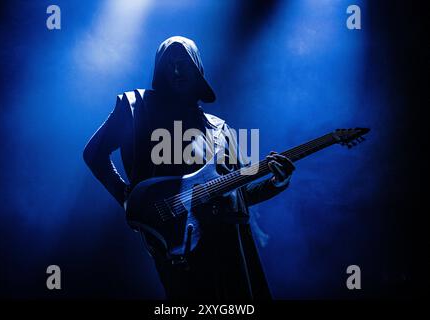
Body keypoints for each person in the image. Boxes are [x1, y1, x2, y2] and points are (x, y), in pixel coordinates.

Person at [83, 36, 295, 300]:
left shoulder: (221, 128)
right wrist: (129, 201)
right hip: (180, 242)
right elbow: (94, 153)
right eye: (168, 63)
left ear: (197, 68)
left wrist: (277, 181)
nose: (176, 70)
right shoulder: (136, 106)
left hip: (232, 241)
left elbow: (241, 196)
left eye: (183, 62)